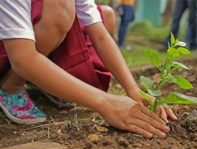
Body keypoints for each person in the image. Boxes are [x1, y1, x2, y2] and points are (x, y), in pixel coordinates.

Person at [0, 0, 176, 139]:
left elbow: (99, 36)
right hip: (10, 48)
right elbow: (23, 59)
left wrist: (133, 89)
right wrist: (105, 102)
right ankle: (11, 87)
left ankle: (41, 78)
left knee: (105, 15)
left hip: (25, 36)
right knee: (60, 7)